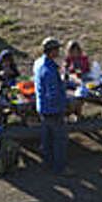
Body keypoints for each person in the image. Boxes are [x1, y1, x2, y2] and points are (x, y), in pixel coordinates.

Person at [33, 37, 71, 175]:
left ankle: (47, 164)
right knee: (59, 140)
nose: (58, 51)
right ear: (51, 51)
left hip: (43, 107)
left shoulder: (39, 63)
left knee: (47, 139)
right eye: (56, 49)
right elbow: (52, 93)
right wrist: (64, 106)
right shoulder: (49, 70)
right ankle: (60, 168)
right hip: (53, 109)